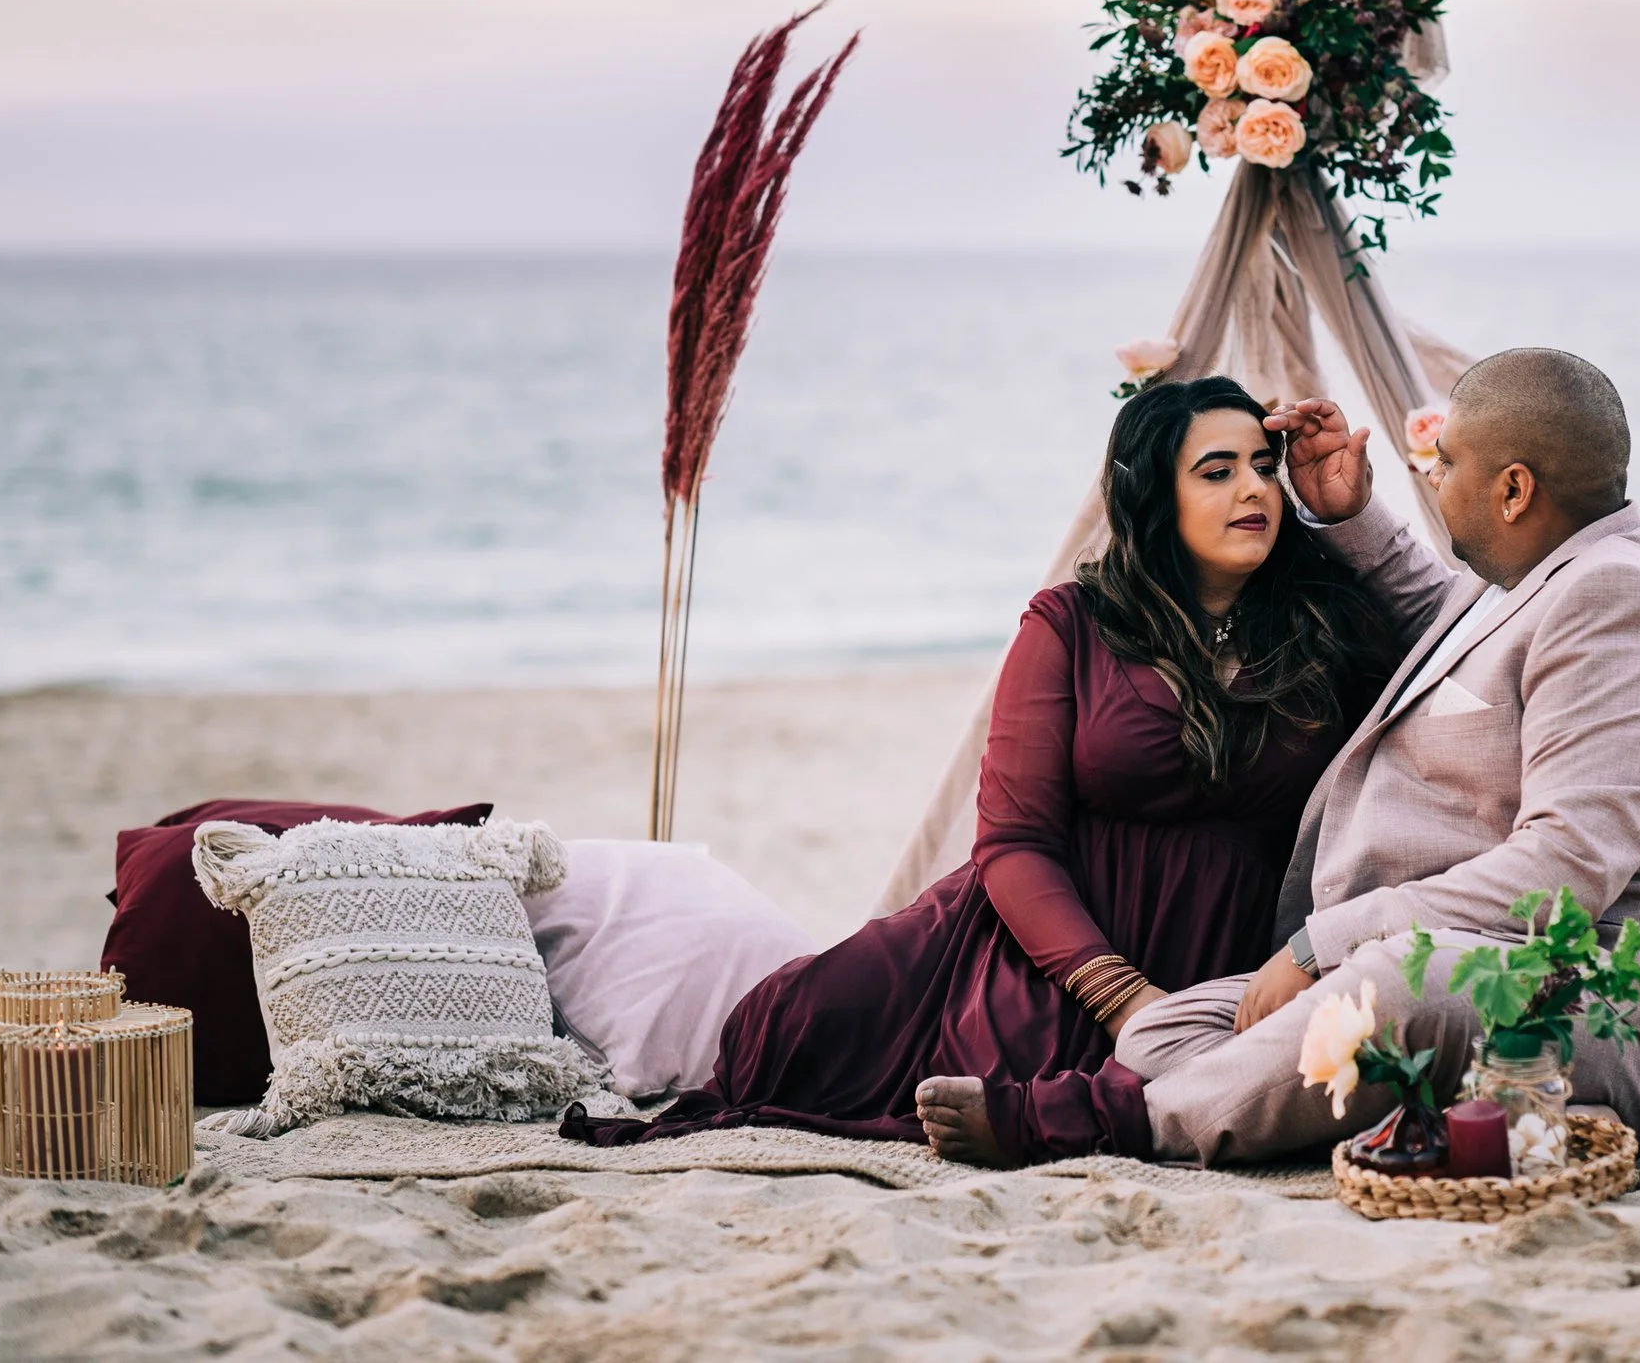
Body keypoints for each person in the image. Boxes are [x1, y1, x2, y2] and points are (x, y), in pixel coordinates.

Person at [563, 376, 1396, 1165]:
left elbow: (1446, 663)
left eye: (1262, 466)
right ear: (1154, 495)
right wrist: (1123, 996)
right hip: (1047, 951)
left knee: (1193, 1079)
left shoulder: (1328, 625)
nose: (1253, 489)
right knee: (789, 1030)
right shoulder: (1071, 623)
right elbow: (1014, 842)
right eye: (1216, 472)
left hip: (1225, 955)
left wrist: (1347, 511)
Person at [1110, 348, 1640, 1166]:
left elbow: (1563, 874)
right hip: (1507, 967)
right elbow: (1455, 633)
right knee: (1163, 1032)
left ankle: (1118, 1126)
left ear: (1512, 489)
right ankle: (1290, 1099)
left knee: (1398, 985)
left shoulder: (1623, 599)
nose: (1431, 475)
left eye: (1447, 461)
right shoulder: (1543, 566)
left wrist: (1323, 944)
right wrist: (1349, 509)